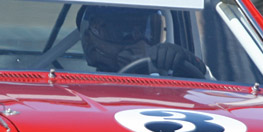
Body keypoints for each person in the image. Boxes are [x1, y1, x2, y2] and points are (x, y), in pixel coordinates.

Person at [77, 5, 206, 78]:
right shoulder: (74, 93)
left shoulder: (171, 82)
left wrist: (189, 62)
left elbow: (215, 89)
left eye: (148, 32)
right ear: (90, 38)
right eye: (123, 32)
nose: (140, 43)